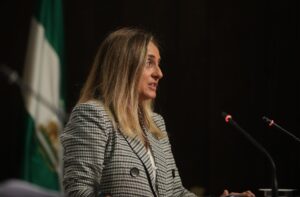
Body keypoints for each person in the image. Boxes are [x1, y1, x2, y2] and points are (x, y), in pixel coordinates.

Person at [60, 27, 255, 197]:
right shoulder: (93, 115)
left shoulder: (155, 123)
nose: (159, 73)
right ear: (123, 66)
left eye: (159, 63)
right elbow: (78, 189)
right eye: (149, 62)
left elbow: (176, 192)